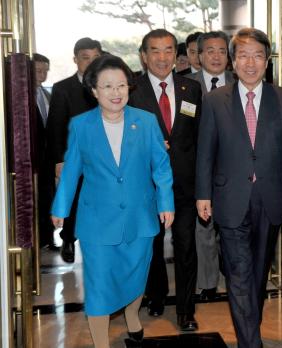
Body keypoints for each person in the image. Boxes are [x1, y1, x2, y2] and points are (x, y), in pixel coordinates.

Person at [195, 28, 282, 348]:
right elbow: (205, 151)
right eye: (243, 56)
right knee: (238, 273)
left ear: (267, 61)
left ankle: (250, 326)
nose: (251, 62)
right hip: (229, 197)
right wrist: (203, 194)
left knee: (259, 273)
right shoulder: (213, 100)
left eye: (258, 55)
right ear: (232, 62)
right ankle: (250, 342)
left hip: (270, 197)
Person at [51, 54, 175, 348]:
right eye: (107, 86)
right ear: (93, 90)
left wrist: (165, 202)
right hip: (97, 221)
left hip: (140, 216)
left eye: (121, 85)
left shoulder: (145, 121)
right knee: (99, 285)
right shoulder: (82, 125)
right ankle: (101, 343)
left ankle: (132, 315)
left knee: (136, 274)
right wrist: (60, 208)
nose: (116, 92)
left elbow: (161, 166)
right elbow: (72, 169)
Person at [128, 29, 202, 331]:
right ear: (144, 56)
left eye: (168, 50)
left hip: (184, 184)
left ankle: (186, 311)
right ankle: (155, 294)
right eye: (155, 51)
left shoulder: (191, 89)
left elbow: (199, 138)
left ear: (176, 54)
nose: (162, 57)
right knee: (152, 245)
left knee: (186, 247)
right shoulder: (131, 89)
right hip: (145, 185)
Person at [187, 30, 235, 301]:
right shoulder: (185, 86)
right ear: (199, 55)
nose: (216, 56)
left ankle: (233, 275)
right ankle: (207, 282)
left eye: (221, 51)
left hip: (233, 171)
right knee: (202, 228)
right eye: (210, 51)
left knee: (231, 228)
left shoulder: (242, 83)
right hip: (199, 168)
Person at [46, 37, 102, 263]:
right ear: (75, 60)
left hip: (104, 156)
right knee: (75, 197)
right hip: (74, 156)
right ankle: (68, 237)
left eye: (95, 58)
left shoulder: (108, 84)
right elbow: (55, 126)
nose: (90, 63)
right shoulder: (63, 88)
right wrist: (59, 159)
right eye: (85, 58)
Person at [33, 53, 56, 250]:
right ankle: (37, 238)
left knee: (49, 196)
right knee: (35, 197)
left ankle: (48, 238)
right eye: (38, 70)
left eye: (45, 70)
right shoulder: (20, 99)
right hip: (32, 157)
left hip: (49, 156)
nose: (43, 74)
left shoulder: (48, 94)